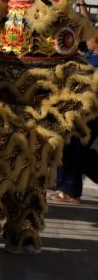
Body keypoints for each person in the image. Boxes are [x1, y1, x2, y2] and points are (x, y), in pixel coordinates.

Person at [51, 31, 98, 204]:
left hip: (90, 114)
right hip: (79, 111)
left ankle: (71, 192)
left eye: (90, 38)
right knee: (74, 151)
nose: (87, 40)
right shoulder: (89, 56)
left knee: (76, 151)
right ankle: (67, 190)